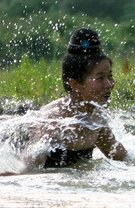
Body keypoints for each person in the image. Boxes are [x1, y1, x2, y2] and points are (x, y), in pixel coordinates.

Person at [22, 28, 129, 168]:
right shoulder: (55, 121)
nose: (109, 84)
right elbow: (27, 166)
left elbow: (121, 157)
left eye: (110, 76)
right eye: (100, 78)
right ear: (75, 84)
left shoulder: (96, 119)